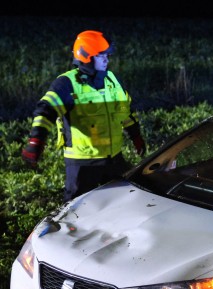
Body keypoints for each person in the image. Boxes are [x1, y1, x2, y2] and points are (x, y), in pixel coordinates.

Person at [21, 30, 146, 201]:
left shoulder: (111, 79)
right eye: (101, 56)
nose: (106, 60)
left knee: (122, 202)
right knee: (76, 209)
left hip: (114, 159)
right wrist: (36, 142)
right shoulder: (66, 83)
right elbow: (46, 109)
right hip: (83, 164)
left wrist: (136, 135)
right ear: (86, 56)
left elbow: (125, 111)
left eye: (107, 55)